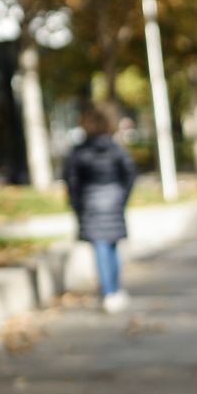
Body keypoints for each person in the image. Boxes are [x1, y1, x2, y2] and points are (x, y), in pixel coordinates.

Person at [65, 103, 138, 313]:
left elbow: (72, 179)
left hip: (90, 202)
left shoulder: (79, 152)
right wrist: (122, 196)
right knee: (112, 247)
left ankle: (108, 291)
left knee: (100, 247)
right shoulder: (116, 149)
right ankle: (114, 289)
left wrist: (76, 203)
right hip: (114, 201)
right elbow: (130, 173)